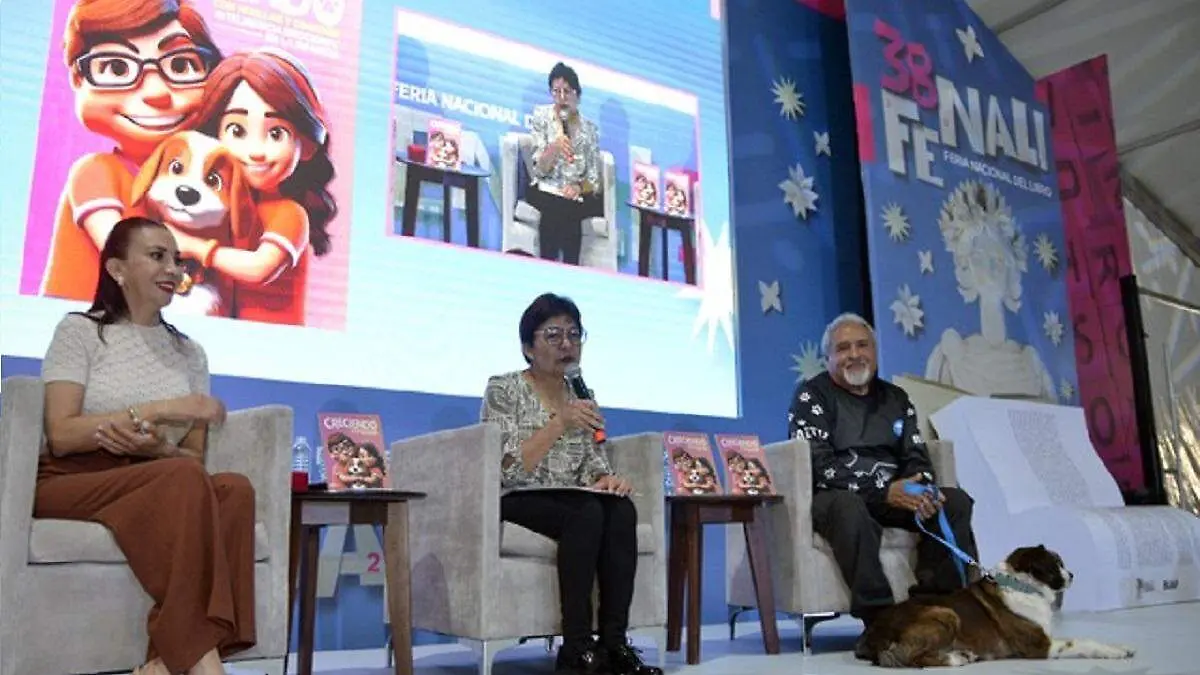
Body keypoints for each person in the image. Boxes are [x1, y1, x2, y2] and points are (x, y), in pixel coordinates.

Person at [35, 216, 254, 675]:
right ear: (117, 269)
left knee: (234, 490)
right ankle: (199, 664)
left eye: (177, 259)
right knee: (183, 478)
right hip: (74, 478)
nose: (173, 269)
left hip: (156, 476)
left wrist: (159, 451)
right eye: (157, 256)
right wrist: (163, 409)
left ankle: (164, 663)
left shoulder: (190, 353)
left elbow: (192, 460)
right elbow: (62, 434)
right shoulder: (80, 331)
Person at [480, 293, 660, 675]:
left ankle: (614, 645)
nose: (567, 344)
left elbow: (592, 461)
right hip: (517, 496)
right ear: (528, 348)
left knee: (620, 509)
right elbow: (505, 468)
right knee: (587, 512)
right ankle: (576, 649)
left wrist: (605, 478)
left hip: (571, 497)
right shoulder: (504, 388)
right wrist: (559, 421)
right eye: (553, 335)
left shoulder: (582, 394)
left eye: (574, 335)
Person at [787, 313, 979, 633]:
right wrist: (882, 492)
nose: (854, 354)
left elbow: (915, 455)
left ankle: (934, 608)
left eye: (862, 345)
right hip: (837, 497)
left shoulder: (896, 399)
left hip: (895, 495)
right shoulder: (811, 396)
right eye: (843, 348)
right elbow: (820, 466)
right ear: (828, 358)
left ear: (875, 352)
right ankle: (881, 619)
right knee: (849, 507)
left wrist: (920, 490)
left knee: (955, 502)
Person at [40, 0, 222, 300]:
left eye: (180, 65)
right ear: (78, 78)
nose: (156, 93)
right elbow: (127, 255)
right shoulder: (97, 171)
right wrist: (202, 254)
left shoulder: (203, 184)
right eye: (117, 67)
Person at [177, 47, 337, 325]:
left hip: (271, 343)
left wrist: (195, 247)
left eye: (276, 133)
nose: (256, 151)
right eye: (237, 131)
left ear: (307, 145)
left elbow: (259, 268)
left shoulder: (289, 213)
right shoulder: (217, 208)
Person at [525, 63, 604, 266]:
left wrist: (578, 187)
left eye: (566, 91)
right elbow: (539, 169)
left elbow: (594, 181)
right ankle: (554, 263)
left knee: (570, 207)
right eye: (556, 91)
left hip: (575, 196)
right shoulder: (542, 116)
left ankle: (564, 265)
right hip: (546, 188)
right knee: (557, 206)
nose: (561, 97)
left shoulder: (589, 130)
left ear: (577, 94)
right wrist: (555, 147)